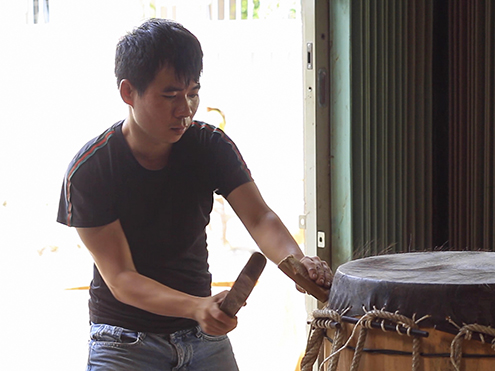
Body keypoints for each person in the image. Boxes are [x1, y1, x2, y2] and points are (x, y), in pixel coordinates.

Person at [56, 18, 332, 371]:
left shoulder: (209, 146)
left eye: (193, 93)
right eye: (170, 95)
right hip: (123, 340)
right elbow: (122, 279)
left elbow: (260, 218)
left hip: (202, 337)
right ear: (128, 93)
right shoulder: (91, 170)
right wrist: (197, 307)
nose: (185, 109)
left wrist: (298, 262)